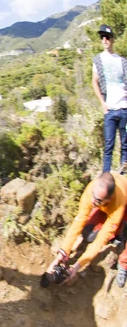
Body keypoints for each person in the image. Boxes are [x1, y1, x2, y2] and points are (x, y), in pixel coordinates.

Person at [45, 172, 127, 287]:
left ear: (109, 198)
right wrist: (62, 254)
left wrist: (78, 266)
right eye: (93, 195)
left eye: (97, 200)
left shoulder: (117, 205)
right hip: (108, 202)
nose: (92, 201)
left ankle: (123, 263)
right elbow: (78, 222)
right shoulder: (92, 190)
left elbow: (100, 242)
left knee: (112, 232)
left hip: (123, 201)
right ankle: (115, 229)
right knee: (88, 235)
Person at [92, 24, 127, 172]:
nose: (105, 40)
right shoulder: (98, 60)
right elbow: (94, 81)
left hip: (124, 107)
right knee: (109, 144)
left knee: (125, 143)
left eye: (107, 37)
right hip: (110, 109)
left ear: (112, 39)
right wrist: (102, 103)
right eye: (102, 37)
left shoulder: (122, 61)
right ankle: (105, 173)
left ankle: (124, 172)